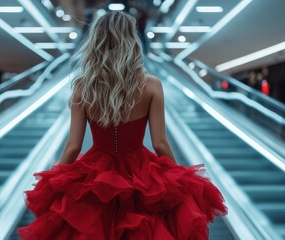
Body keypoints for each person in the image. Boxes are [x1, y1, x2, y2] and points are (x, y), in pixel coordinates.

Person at [18, 11, 227, 239]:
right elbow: (159, 143)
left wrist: (53, 186)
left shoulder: (82, 87)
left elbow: (73, 146)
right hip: (142, 175)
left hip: (94, 177)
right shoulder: (152, 85)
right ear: (132, 40)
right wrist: (179, 181)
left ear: (96, 41)